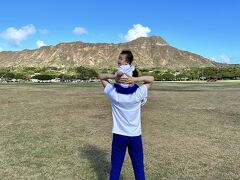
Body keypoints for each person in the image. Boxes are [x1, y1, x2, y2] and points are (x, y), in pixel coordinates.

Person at [99, 50, 154, 180]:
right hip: (135, 136)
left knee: (116, 168)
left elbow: (101, 76)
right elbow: (151, 80)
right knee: (138, 167)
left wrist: (114, 77)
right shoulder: (138, 94)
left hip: (119, 135)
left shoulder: (114, 94)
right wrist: (136, 79)